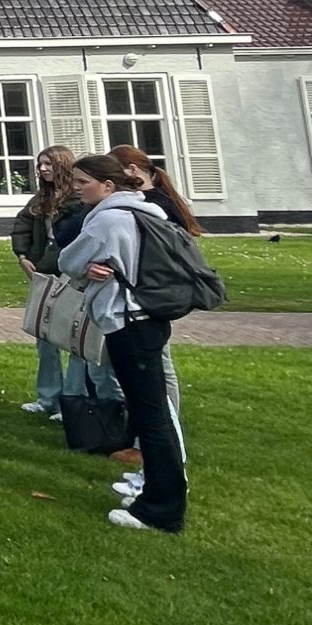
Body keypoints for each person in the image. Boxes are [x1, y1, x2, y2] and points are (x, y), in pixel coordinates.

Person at [58, 152, 189, 534]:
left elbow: (68, 260)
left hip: (128, 322)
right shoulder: (144, 210)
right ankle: (155, 489)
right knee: (154, 413)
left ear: (109, 186)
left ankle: (162, 509)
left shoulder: (109, 220)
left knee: (150, 416)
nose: (78, 189)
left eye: (83, 182)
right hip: (149, 317)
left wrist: (85, 268)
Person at [13, 147, 81, 417]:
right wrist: (22, 255)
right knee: (44, 338)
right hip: (44, 276)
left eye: (48, 164)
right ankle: (48, 396)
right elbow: (22, 225)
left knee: (74, 340)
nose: (42, 169)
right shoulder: (42, 198)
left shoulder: (78, 199)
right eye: (40, 164)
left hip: (69, 276)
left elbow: (68, 243)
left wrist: (42, 267)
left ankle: (73, 400)